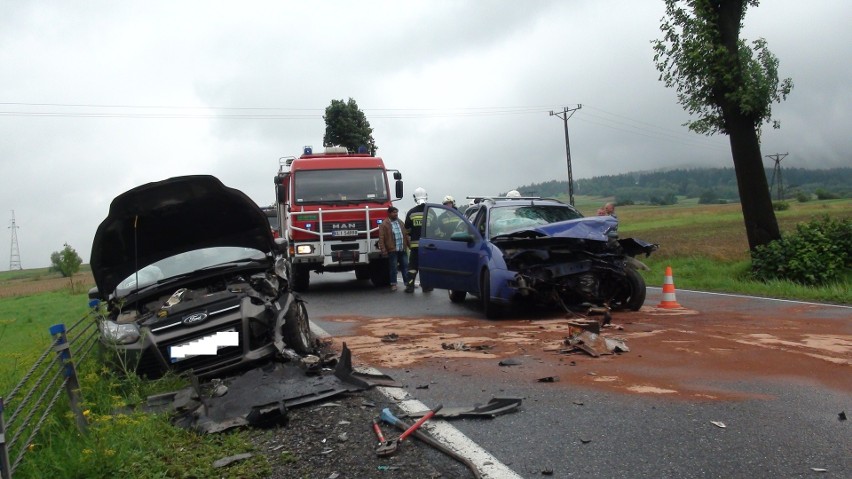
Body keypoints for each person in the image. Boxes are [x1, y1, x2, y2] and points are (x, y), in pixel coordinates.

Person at [378, 206, 410, 291]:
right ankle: (393, 284)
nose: (396, 214)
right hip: (392, 250)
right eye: (394, 212)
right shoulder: (384, 224)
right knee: (393, 267)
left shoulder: (400, 222)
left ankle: (408, 283)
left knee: (405, 266)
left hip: (402, 248)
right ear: (389, 213)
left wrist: (410, 246)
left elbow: (406, 235)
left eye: (396, 212)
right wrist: (383, 249)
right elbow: (381, 238)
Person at [404, 187, 429, 293]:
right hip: (428, 246)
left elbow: (407, 229)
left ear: (415, 198)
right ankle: (427, 287)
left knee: (413, 266)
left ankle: (410, 286)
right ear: (426, 196)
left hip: (415, 246)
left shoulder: (411, 212)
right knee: (426, 266)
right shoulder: (430, 211)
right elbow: (436, 229)